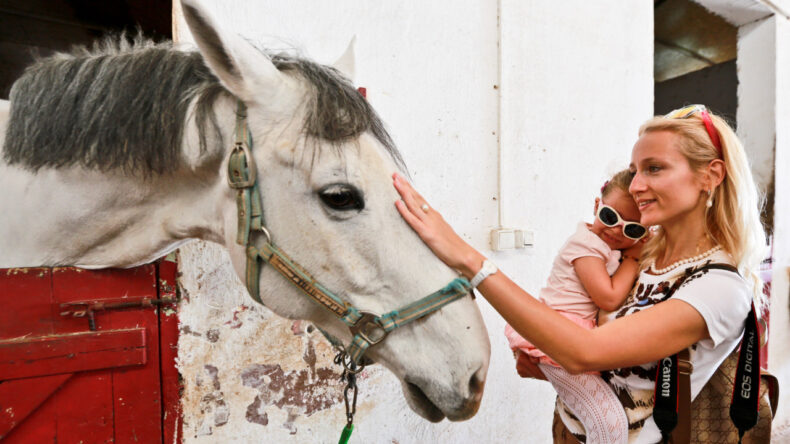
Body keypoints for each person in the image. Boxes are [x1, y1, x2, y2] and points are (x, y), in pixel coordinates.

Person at [392, 104, 765, 443]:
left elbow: (585, 352)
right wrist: (548, 367)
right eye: (634, 171)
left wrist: (467, 259)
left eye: (654, 168)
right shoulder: (641, 256)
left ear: (710, 176)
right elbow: (607, 358)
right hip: (571, 427)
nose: (636, 186)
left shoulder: (718, 287)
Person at [504, 169, 645, 444]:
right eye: (609, 217)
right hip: (558, 337)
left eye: (632, 229)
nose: (617, 230)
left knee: (602, 420)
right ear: (596, 206)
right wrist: (634, 259)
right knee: (608, 423)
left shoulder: (607, 247)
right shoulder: (586, 244)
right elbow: (608, 297)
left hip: (568, 339)